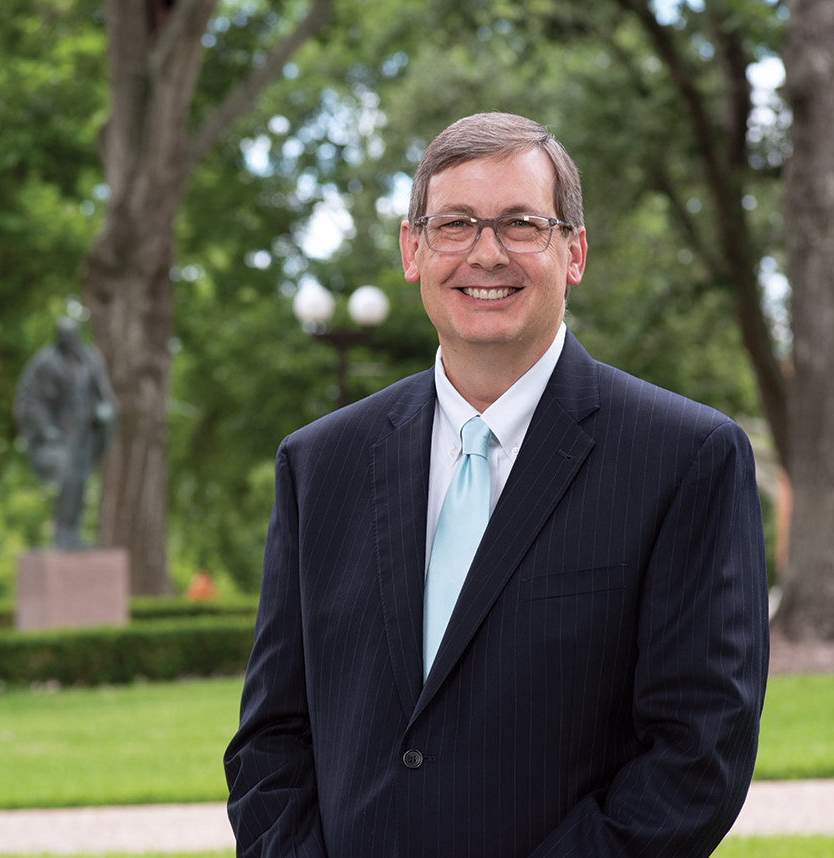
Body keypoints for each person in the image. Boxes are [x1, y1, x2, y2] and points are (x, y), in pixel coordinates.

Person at [224, 112, 769, 857]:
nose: (485, 254)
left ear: (572, 252)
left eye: (520, 224)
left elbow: (697, 753)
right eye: (454, 225)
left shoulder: (684, 458)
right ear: (413, 251)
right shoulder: (319, 465)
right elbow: (271, 740)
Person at [14, 317, 117, 550]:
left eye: (72, 337)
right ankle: (62, 533)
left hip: (86, 431)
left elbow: (104, 393)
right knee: (66, 481)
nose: (69, 342)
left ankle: (75, 533)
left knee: (81, 481)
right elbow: (29, 398)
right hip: (62, 432)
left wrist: (105, 410)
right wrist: (45, 429)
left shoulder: (91, 359)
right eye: (64, 337)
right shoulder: (45, 362)